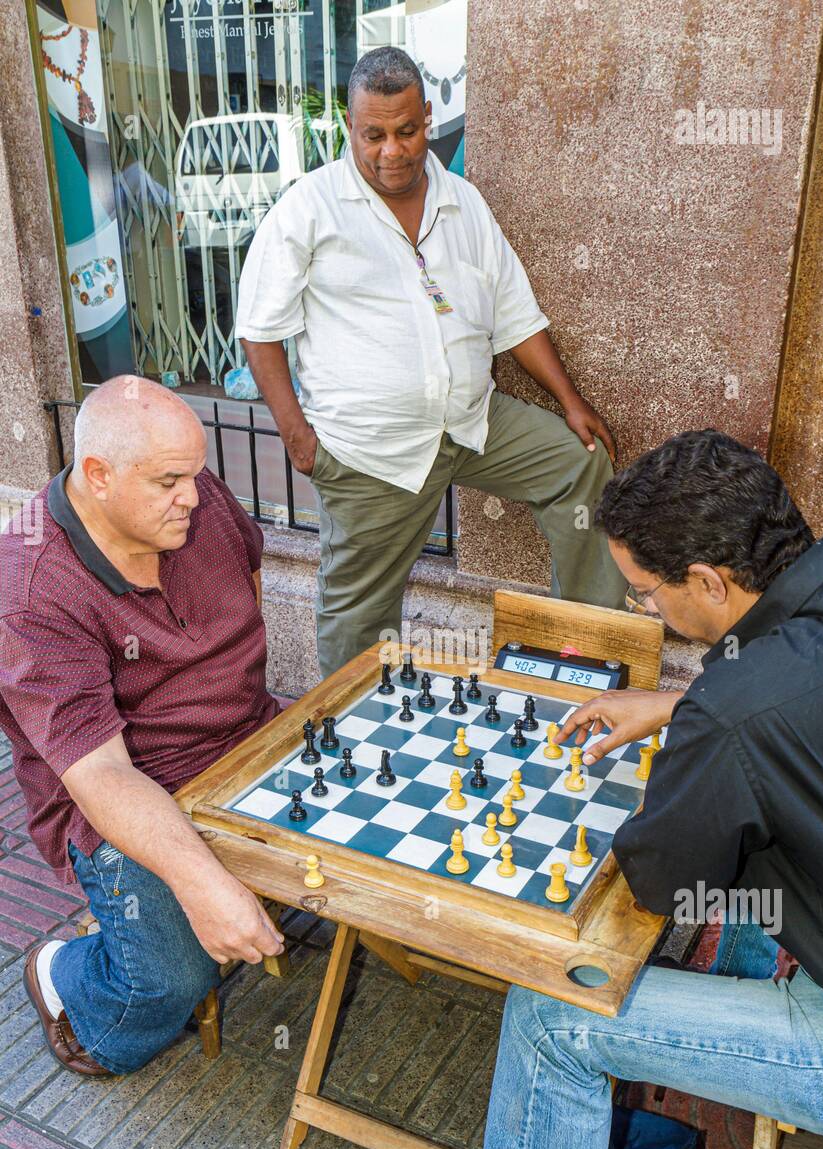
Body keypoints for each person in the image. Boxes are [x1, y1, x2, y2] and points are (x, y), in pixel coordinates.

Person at [408, 429, 823, 1149]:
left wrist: (700, 741)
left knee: (551, 1014)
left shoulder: (735, 713)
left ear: (709, 582)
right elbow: (818, 691)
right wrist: (679, 704)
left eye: (648, 593)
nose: (643, 606)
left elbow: (656, 884)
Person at [236, 46, 625, 678]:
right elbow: (260, 331)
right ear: (349, 128)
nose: (391, 150)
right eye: (374, 135)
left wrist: (571, 401)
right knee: (360, 613)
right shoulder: (309, 209)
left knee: (579, 465)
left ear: (429, 118)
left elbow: (515, 317)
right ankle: (349, 736)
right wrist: (297, 436)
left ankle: (581, 661)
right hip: (370, 449)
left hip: (472, 422)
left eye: (406, 131)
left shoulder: (462, 201)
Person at [0, 378, 285, 1077]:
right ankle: (65, 974)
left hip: (249, 732)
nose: (194, 495)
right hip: (122, 788)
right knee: (174, 979)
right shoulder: (31, 584)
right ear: (98, 476)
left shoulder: (195, 494)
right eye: (168, 481)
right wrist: (207, 883)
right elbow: (99, 773)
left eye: (194, 472)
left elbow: (245, 588)